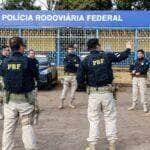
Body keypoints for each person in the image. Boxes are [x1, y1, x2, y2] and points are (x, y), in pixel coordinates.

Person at [77, 39, 131, 150]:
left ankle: (92, 145)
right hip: (107, 93)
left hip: (93, 94)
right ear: (97, 46)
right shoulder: (106, 56)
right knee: (110, 117)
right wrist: (128, 48)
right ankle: (112, 144)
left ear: (89, 48)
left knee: (93, 119)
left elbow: (79, 79)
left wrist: (86, 86)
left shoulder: (85, 60)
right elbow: (121, 56)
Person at [1, 37, 38, 150]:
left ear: (11, 47)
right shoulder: (29, 61)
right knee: (27, 127)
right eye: (24, 46)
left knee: (8, 129)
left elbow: (3, 76)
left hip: (9, 102)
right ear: (21, 46)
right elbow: (37, 77)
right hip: (25, 102)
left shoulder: (5, 62)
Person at [59, 45, 81, 109]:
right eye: (69, 49)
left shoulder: (76, 57)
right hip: (67, 76)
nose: (70, 50)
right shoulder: (66, 57)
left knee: (73, 91)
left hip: (74, 76)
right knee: (64, 90)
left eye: (71, 49)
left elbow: (79, 66)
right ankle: (61, 104)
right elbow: (66, 66)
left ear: (73, 50)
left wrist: (70, 64)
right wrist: (74, 64)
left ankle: (70, 103)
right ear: (67, 50)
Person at [28, 49, 39, 124]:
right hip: (28, 82)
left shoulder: (36, 61)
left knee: (34, 96)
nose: (32, 54)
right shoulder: (26, 61)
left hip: (34, 81)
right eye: (31, 53)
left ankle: (36, 108)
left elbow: (36, 71)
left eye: (33, 53)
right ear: (28, 54)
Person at [0, 45, 10, 120]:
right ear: (2, 50)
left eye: (8, 50)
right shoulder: (1, 58)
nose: (7, 52)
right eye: (6, 50)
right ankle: (1, 114)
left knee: (6, 98)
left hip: (6, 80)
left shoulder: (9, 59)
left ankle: (6, 114)